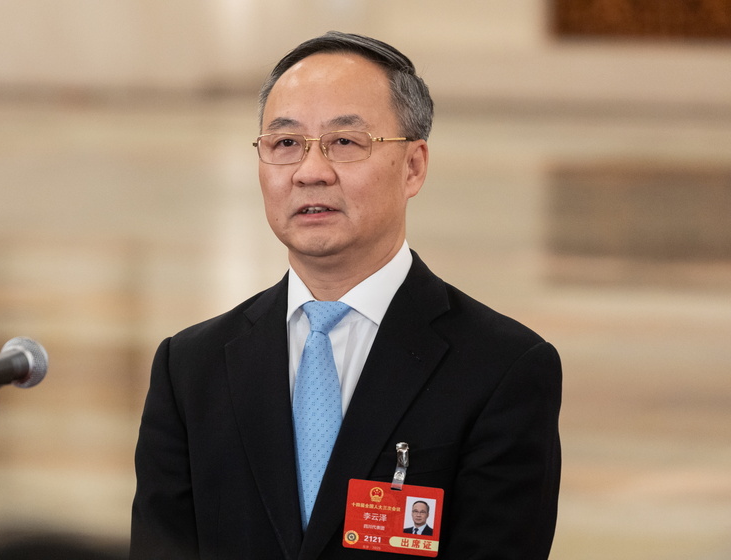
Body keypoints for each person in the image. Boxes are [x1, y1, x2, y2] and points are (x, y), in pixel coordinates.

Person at [130, 31, 561, 560]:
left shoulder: (502, 369)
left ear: (414, 166)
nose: (311, 172)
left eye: (346, 142)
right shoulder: (189, 368)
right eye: (285, 144)